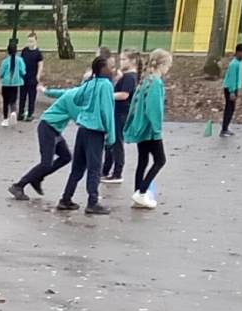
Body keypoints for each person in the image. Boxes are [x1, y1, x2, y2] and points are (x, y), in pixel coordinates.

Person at [55, 55, 115, 214]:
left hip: (82, 130)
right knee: (94, 168)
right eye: (110, 67)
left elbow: (77, 98)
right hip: (95, 132)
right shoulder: (106, 85)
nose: (112, 70)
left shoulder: (89, 83)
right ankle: (92, 202)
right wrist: (111, 135)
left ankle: (66, 198)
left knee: (78, 167)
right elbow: (107, 111)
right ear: (102, 69)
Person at [8, 72, 80, 201]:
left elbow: (59, 93)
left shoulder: (75, 92)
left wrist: (46, 91)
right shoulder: (75, 97)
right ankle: (18, 185)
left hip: (54, 129)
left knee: (66, 157)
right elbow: (78, 118)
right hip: (48, 127)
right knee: (46, 163)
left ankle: (37, 178)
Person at [125, 49, 169, 208]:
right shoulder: (156, 82)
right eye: (167, 66)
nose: (168, 69)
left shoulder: (145, 80)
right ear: (162, 65)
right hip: (150, 130)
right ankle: (141, 192)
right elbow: (154, 108)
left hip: (141, 127)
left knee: (142, 161)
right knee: (160, 160)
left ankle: (138, 194)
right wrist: (157, 129)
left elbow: (135, 105)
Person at [102, 49, 140, 182]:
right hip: (118, 112)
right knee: (112, 141)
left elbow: (124, 95)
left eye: (124, 59)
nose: (121, 62)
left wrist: (107, 95)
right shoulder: (126, 76)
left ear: (133, 61)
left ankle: (117, 173)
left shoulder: (130, 77)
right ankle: (106, 169)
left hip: (121, 113)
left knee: (117, 142)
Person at [0, 40, 26, 127]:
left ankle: (5, 119)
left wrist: (3, 77)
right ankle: (13, 111)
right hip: (16, 83)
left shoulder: (5, 61)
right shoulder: (20, 60)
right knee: (13, 99)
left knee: (5, 101)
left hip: (6, 83)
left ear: (8, 51)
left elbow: (1, 73)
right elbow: (23, 72)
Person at [18, 32, 44, 122]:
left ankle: (30, 114)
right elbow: (21, 62)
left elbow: (40, 65)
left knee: (31, 97)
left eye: (32, 41)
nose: (30, 43)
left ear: (36, 41)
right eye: (29, 41)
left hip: (33, 77)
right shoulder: (24, 51)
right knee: (22, 96)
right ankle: (20, 113)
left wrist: (38, 76)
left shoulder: (38, 53)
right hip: (24, 77)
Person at [220, 42, 242, 136]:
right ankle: (224, 129)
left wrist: (239, 88)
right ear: (238, 52)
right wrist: (232, 92)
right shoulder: (234, 64)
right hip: (230, 88)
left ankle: (226, 128)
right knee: (229, 108)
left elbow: (238, 77)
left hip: (234, 88)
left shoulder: (240, 62)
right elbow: (231, 79)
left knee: (232, 108)